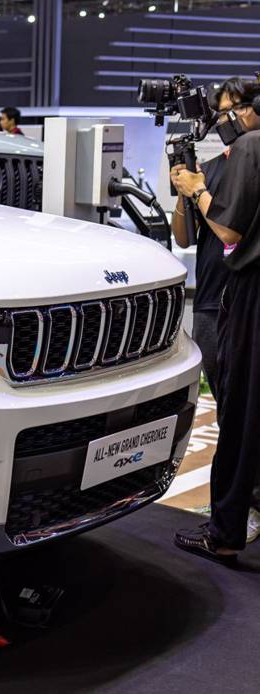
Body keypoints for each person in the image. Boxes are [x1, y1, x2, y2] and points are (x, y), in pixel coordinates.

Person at [171, 77, 260, 564]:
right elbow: (185, 236)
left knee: (238, 415)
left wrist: (198, 189)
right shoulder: (221, 161)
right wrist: (185, 192)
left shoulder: (248, 151)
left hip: (241, 297)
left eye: (232, 110)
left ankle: (229, 525)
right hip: (215, 300)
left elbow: (228, 231)